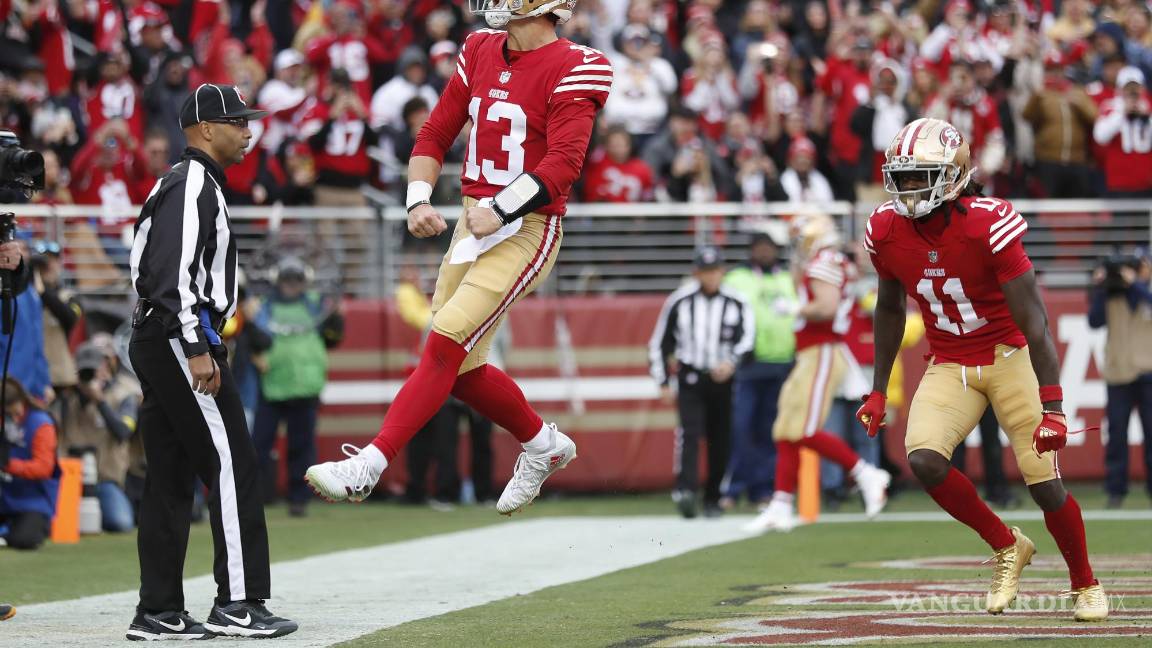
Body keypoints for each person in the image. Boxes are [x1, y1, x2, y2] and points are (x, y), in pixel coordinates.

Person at [304, 0, 612, 516]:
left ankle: (370, 465)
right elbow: (435, 132)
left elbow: (563, 163)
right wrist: (417, 200)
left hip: (526, 228)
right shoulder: (479, 48)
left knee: (445, 341)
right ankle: (543, 444)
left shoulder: (578, 64)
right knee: (462, 368)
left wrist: (502, 207)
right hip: (475, 222)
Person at [858, 117, 1108, 621]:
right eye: (902, 177)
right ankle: (1006, 544)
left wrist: (1054, 407)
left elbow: (1034, 321)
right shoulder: (885, 229)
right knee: (924, 459)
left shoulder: (987, 223)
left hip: (1009, 357)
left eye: (921, 176)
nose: (909, 188)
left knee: (1043, 482)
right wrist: (878, 389)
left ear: (953, 177)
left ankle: (1085, 582)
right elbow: (889, 308)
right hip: (950, 361)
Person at [126, 83, 297, 640]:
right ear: (204, 128)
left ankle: (158, 610)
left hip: (164, 335)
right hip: (180, 335)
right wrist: (197, 346)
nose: (248, 131)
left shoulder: (191, 182)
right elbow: (170, 275)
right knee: (231, 462)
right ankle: (239, 603)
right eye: (237, 121)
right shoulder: (192, 183)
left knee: (170, 474)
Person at [745, 214, 890, 533]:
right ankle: (781, 504)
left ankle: (866, 473)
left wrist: (795, 308)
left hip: (823, 351)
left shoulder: (825, 261)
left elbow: (826, 307)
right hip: (810, 353)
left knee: (805, 429)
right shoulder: (824, 261)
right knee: (786, 429)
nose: (796, 247)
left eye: (799, 239)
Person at [649, 247, 753, 518]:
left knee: (721, 438)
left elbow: (748, 340)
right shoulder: (680, 301)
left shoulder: (736, 301)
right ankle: (686, 491)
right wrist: (662, 380)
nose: (711, 277)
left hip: (723, 380)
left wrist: (731, 363)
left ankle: (714, 497)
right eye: (706, 271)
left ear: (722, 271)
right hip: (690, 377)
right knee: (690, 434)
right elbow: (660, 342)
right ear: (696, 273)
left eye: (715, 271)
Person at [251, 257, 343, 518]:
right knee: (258, 444)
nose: (291, 285)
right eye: (287, 280)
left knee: (301, 446)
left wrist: (336, 317)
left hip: (306, 385)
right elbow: (255, 337)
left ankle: (299, 499)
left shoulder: (317, 304)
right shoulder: (264, 306)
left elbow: (333, 336)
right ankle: (253, 497)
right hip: (271, 383)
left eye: (296, 280)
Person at [720, 232, 796, 509]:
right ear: (751, 250)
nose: (765, 252)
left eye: (769, 247)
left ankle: (763, 489)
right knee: (741, 428)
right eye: (760, 247)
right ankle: (733, 488)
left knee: (770, 431)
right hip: (748, 365)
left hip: (782, 363)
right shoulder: (737, 278)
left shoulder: (786, 277)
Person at [1088, 247, 1152, 508]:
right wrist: (1100, 287)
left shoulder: (1143, 291)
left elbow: (1146, 299)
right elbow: (1094, 321)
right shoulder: (1110, 292)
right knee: (1116, 434)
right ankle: (1115, 490)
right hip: (1118, 373)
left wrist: (1134, 283)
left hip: (1148, 371)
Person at [58, 340, 141, 533]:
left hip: (105, 479)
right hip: (70, 478)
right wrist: (72, 392)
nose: (88, 377)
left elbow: (124, 432)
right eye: (84, 371)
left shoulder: (123, 395)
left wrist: (100, 401)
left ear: (105, 367)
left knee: (120, 522)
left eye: (92, 370)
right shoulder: (67, 396)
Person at [0, 378, 59, 550]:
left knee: (25, 540)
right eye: (7, 414)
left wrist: (8, 465)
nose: (13, 417)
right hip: (5, 496)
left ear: (22, 401)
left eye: (14, 412)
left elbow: (44, 468)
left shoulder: (41, 424)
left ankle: (7, 534)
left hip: (34, 501)